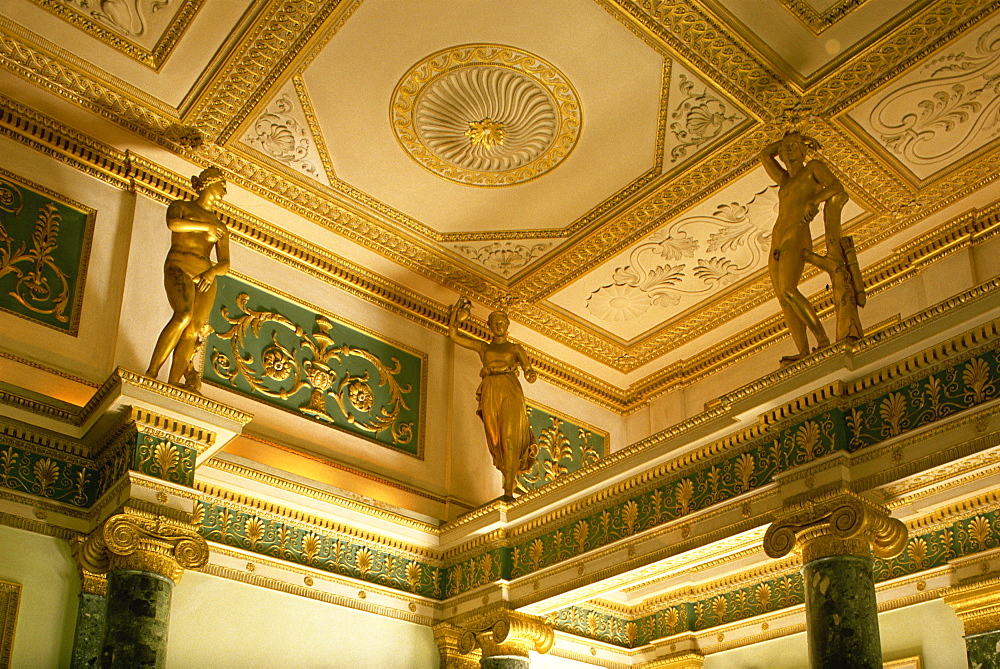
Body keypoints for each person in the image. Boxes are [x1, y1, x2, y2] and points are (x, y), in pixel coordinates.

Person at [761, 132, 859, 365]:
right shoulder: (784, 180)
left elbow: (836, 186)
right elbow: (765, 155)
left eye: (794, 146)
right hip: (778, 239)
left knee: (789, 290)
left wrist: (814, 201)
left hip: (797, 234)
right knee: (783, 300)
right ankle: (804, 350)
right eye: (786, 148)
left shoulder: (813, 168)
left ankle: (822, 339)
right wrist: (787, 142)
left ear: (804, 151)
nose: (789, 150)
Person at [146, 167, 230, 390]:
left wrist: (211, 272)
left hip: (205, 277)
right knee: (183, 315)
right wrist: (205, 227)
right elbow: (173, 224)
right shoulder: (181, 207)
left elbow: (225, 264)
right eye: (222, 186)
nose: (224, 192)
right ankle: (151, 373)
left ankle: (173, 385)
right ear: (209, 184)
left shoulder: (221, 227)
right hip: (179, 266)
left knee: (192, 331)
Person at [448, 297, 538, 498]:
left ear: (507, 326)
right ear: (489, 326)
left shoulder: (515, 349)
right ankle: (508, 473)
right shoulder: (484, 348)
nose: (498, 326)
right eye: (495, 323)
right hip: (490, 390)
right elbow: (453, 335)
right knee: (496, 440)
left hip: (510, 389)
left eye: (502, 323)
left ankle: (508, 487)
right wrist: (456, 313)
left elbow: (529, 370)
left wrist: (530, 374)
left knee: (509, 436)